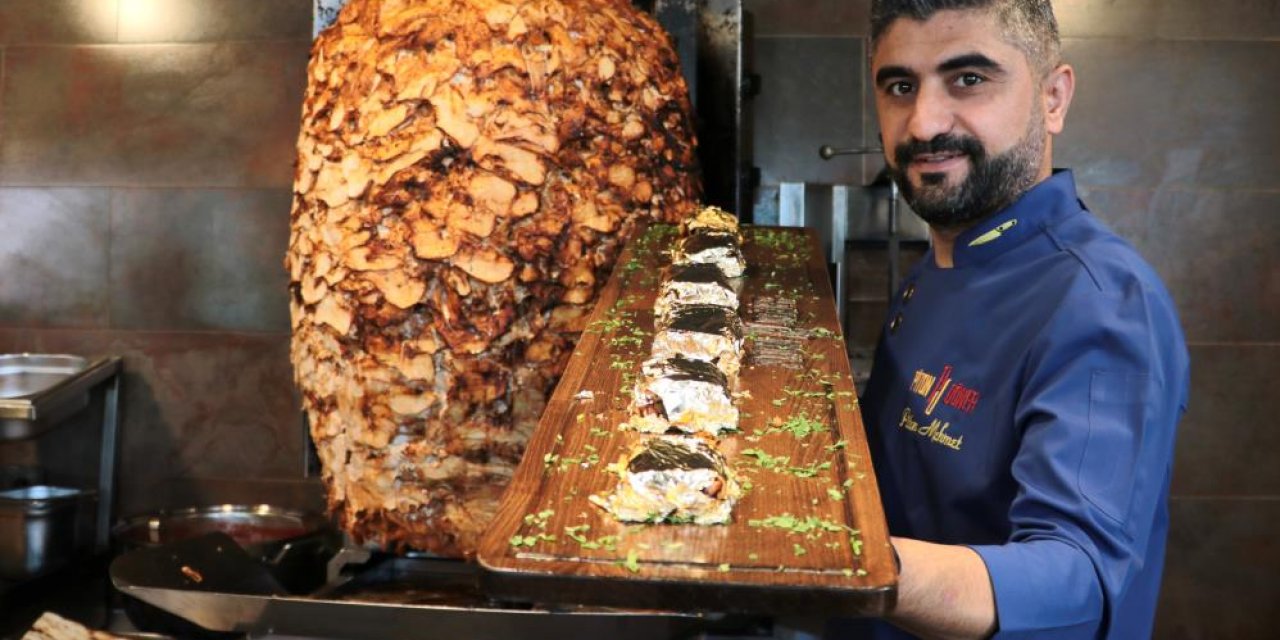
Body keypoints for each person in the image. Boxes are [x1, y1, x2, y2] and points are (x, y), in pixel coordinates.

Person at [846, 1, 1191, 638]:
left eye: (969, 79)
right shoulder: (940, 263)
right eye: (900, 86)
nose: (923, 123)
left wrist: (835, 565)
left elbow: (1074, 577)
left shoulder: (1102, 303)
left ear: (1053, 97)